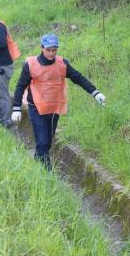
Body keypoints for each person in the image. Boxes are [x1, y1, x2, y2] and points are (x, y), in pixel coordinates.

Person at [11, 34, 106, 170]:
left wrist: (95, 93)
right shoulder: (31, 64)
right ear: (42, 48)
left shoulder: (62, 64)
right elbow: (20, 86)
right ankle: (47, 173)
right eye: (48, 50)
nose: (51, 53)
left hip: (54, 107)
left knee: (48, 140)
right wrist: (16, 108)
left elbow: (78, 78)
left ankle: (38, 162)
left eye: (54, 50)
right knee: (42, 140)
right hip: (36, 107)